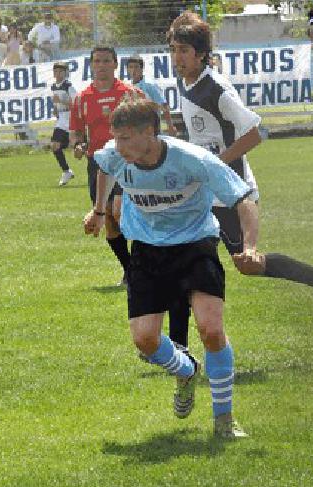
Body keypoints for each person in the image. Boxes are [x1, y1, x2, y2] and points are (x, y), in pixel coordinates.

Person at [160, 11, 313, 357]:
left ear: (200, 53)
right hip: (203, 190)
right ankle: (179, 347)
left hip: (230, 190)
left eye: (183, 50)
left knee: (248, 265)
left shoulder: (217, 89)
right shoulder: (185, 83)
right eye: (174, 50)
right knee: (184, 259)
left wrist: (217, 164)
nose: (177, 58)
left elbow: (257, 132)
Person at [82, 95, 255, 440]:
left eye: (126, 138)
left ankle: (224, 420)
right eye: (116, 138)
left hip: (196, 246)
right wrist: (99, 210)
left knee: (211, 330)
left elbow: (243, 199)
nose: (118, 146)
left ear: (150, 132)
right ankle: (186, 370)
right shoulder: (117, 154)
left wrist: (249, 246)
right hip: (147, 250)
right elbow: (103, 165)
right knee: (145, 340)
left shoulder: (192, 160)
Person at [69, 46, 142, 286]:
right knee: (108, 217)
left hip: (126, 160)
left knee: (119, 210)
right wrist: (79, 145)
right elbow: (76, 133)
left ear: (115, 64)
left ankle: (144, 263)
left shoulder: (129, 93)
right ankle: (131, 270)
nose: (101, 65)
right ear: (91, 65)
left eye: (106, 61)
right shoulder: (82, 98)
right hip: (98, 163)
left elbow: (147, 125)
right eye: (97, 61)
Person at [124, 57, 177, 136]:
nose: (133, 70)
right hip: (136, 128)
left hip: (151, 127)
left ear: (142, 69)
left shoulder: (149, 85)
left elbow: (163, 105)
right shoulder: (128, 86)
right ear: (127, 69)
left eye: (136, 67)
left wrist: (170, 126)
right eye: (131, 67)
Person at [49, 62, 78, 186]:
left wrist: (61, 101)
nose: (58, 74)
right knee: (55, 146)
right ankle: (66, 171)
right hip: (61, 120)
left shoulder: (68, 86)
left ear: (65, 73)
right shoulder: (54, 87)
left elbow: (75, 104)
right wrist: (55, 108)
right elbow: (56, 102)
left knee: (81, 148)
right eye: (56, 71)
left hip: (71, 119)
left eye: (60, 71)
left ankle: (99, 170)